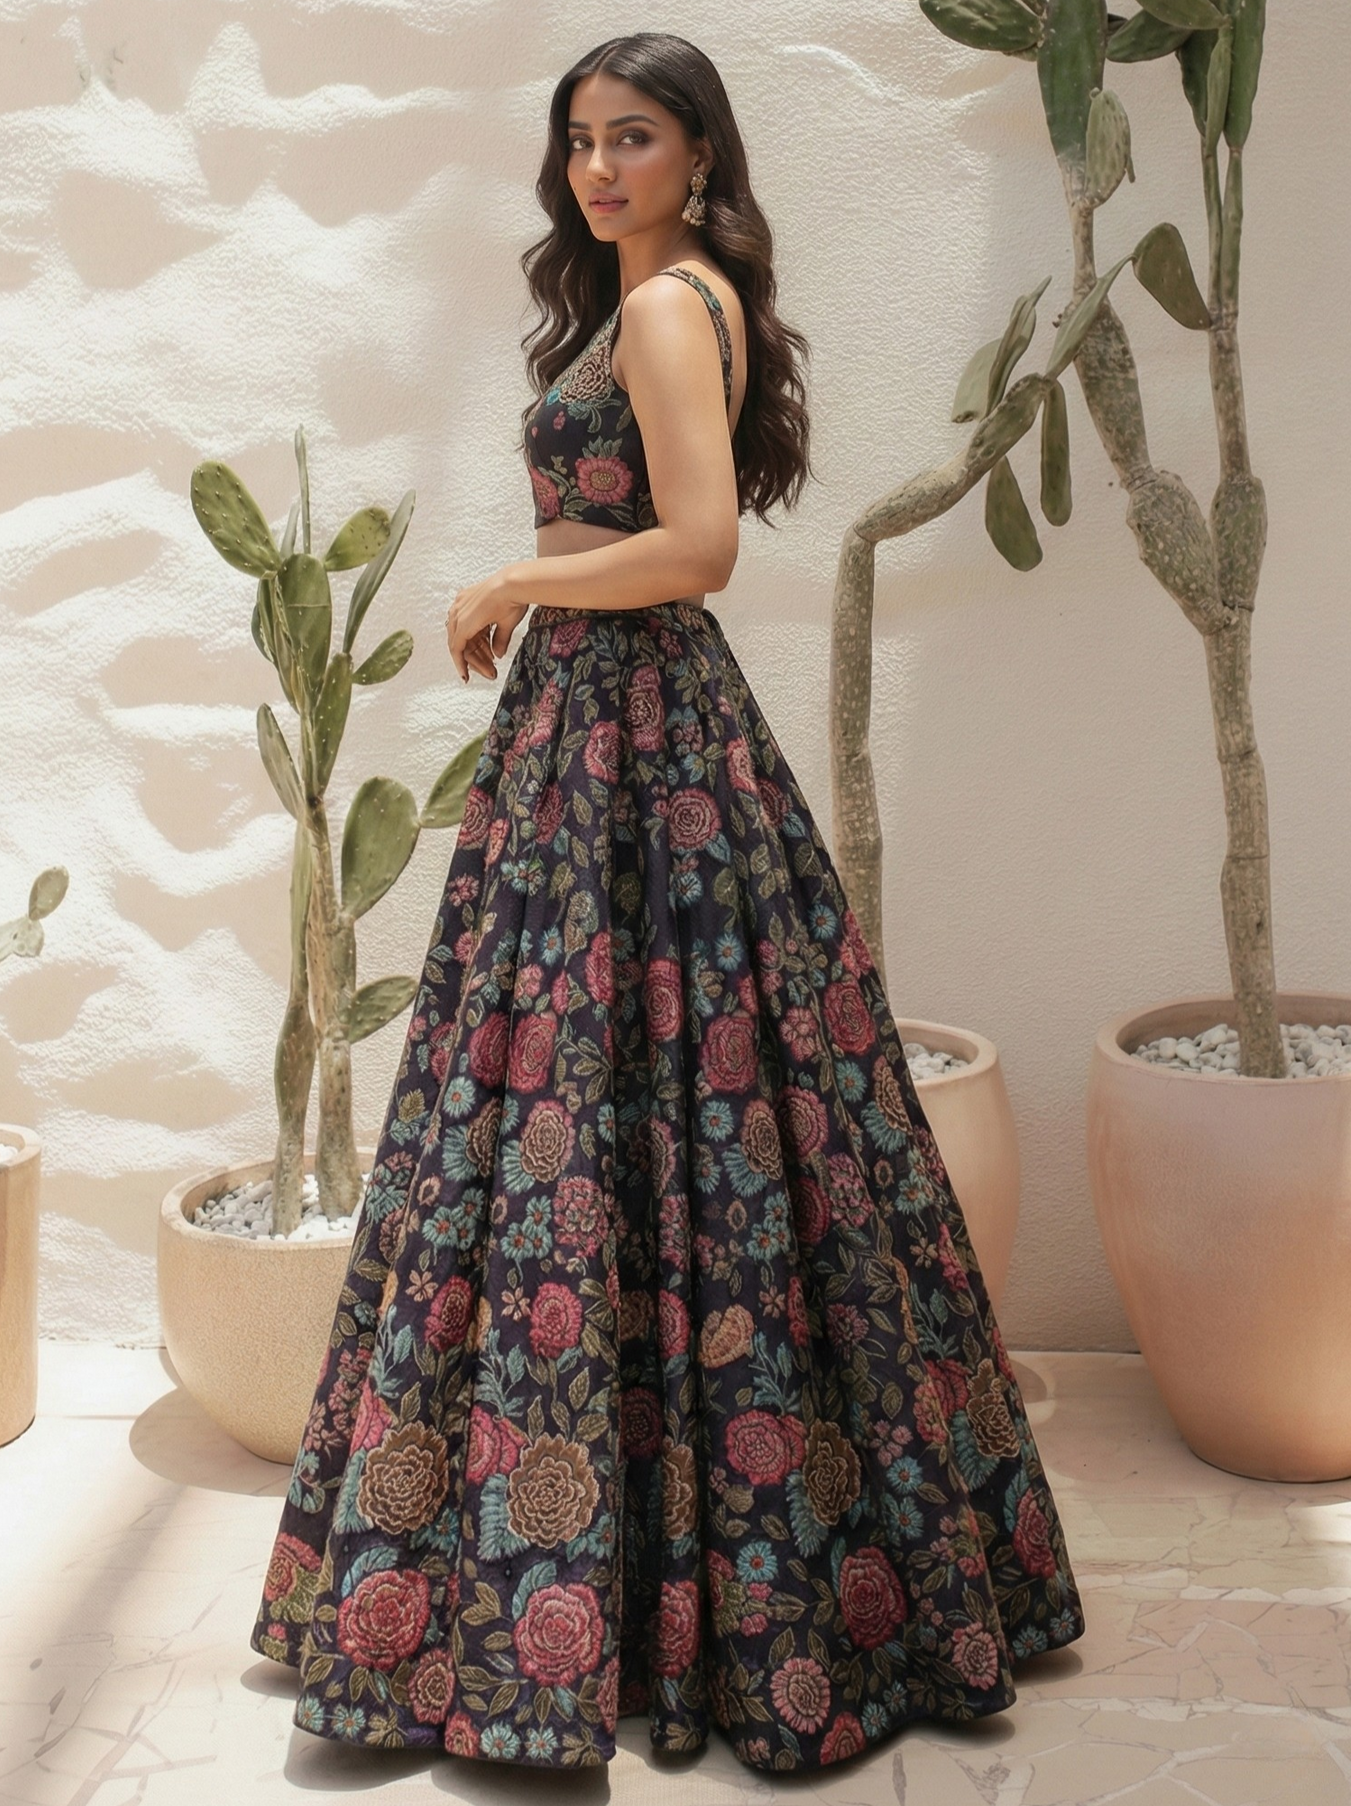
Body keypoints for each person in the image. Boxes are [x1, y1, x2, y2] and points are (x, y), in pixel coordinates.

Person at [249, 30, 1086, 1773]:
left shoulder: (661, 309)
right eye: (579, 141)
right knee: (646, 1128)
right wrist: (543, 590)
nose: (600, 167)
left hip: (635, 736)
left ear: (700, 155)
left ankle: (587, 1599)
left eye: (635, 137)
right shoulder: (667, 304)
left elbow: (700, 546)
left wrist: (512, 573)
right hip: (608, 735)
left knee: (595, 1123)